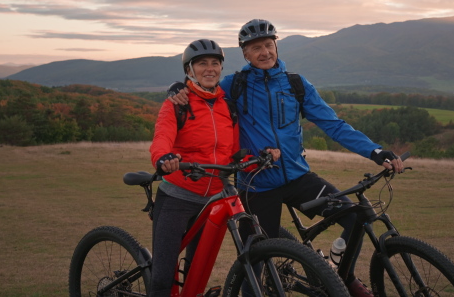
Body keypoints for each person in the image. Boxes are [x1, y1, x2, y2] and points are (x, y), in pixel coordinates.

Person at [168, 20, 403, 297]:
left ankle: (343, 277)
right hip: (256, 185)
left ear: (276, 46)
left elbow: (334, 124)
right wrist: (176, 88)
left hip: (298, 177)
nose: (265, 52)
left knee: (355, 218)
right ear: (245, 54)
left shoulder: (295, 84)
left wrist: (374, 152)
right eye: (256, 48)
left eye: (269, 45)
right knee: (254, 261)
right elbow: (202, 92)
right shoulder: (234, 85)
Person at [148, 38, 280, 297]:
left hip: (211, 202)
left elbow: (232, 154)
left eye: (215, 63)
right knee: (163, 278)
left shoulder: (227, 107)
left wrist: (259, 157)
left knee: (197, 272)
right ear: (189, 70)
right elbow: (162, 137)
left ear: (221, 68)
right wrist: (163, 158)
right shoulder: (177, 104)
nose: (209, 69)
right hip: (177, 197)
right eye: (201, 64)